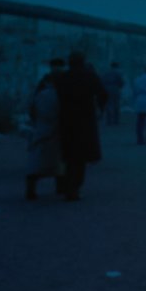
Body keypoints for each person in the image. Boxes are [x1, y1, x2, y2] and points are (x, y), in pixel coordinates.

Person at [54, 51, 107, 200]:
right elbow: (103, 93)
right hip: (85, 118)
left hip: (66, 118)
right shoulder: (89, 76)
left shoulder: (63, 77)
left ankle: (67, 185)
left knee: (69, 154)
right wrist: (100, 108)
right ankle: (75, 186)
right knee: (81, 156)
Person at [23, 68, 60, 200]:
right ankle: (60, 186)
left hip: (41, 129)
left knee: (36, 161)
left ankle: (31, 189)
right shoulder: (60, 94)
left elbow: (32, 110)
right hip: (56, 130)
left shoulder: (39, 95)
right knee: (58, 160)